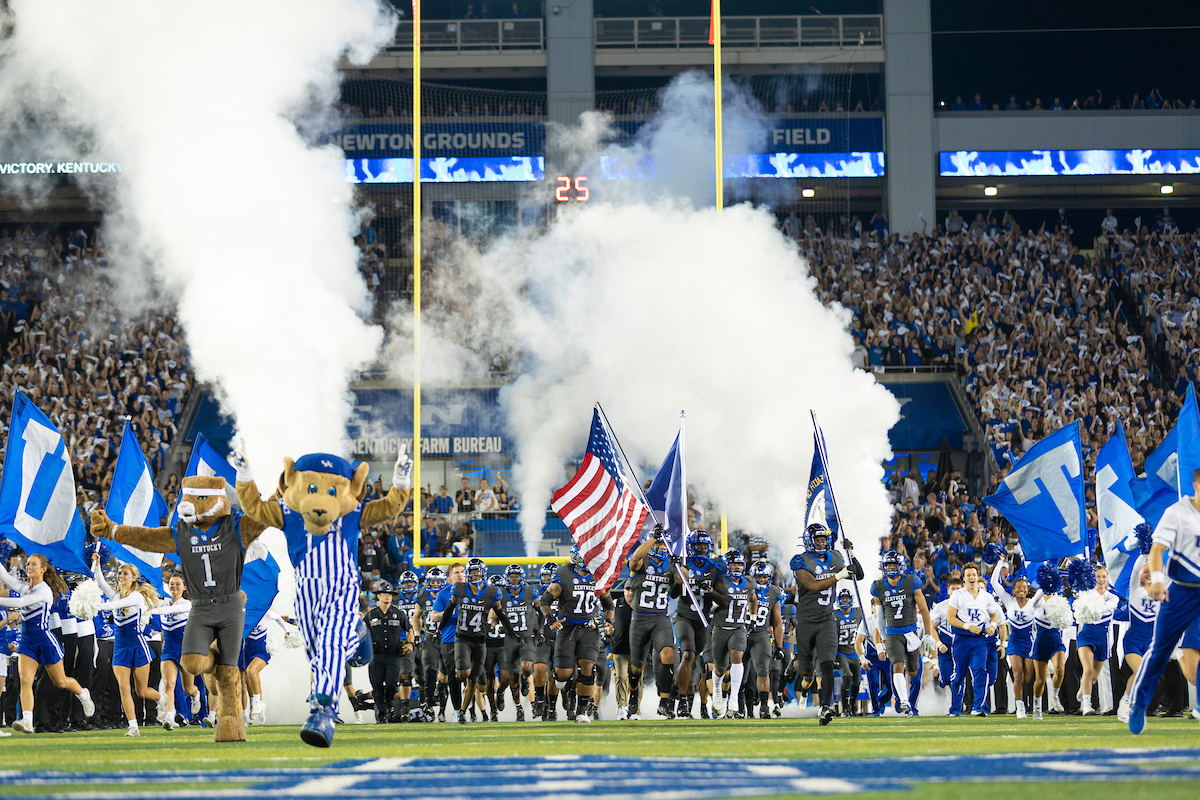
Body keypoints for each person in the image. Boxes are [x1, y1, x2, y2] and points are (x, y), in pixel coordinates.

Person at [1129, 468, 1200, 735]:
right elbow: (1157, 549)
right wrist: (1157, 579)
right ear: (1195, 485)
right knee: (1159, 651)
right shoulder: (1177, 513)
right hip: (1178, 591)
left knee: (1194, 672)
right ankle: (1139, 703)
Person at [0, 555, 95, 734]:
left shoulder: (44, 590)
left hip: (45, 640)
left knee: (60, 682)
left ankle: (83, 694)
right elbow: (4, 577)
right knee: (25, 680)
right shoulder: (25, 587)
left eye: (33, 564)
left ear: (43, 569)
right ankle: (28, 720)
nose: (29, 567)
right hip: (27, 641)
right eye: (27, 564)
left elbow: (20, 603)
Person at [791, 523, 861, 725]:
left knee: (828, 663)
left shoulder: (836, 556)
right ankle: (794, 662)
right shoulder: (800, 561)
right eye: (818, 539)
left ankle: (824, 707)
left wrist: (852, 554)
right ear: (808, 541)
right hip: (806, 621)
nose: (822, 543)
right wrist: (840, 575)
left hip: (827, 619)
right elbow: (813, 586)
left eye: (824, 539)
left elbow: (859, 574)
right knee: (805, 669)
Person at [433, 558, 516, 724]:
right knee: (463, 673)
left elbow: (500, 614)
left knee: (476, 682)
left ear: (483, 573)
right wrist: (440, 629)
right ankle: (459, 707)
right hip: (462, 637)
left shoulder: (492, 592)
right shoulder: (458, 590)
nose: (475, 574)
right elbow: (449, 610)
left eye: (478, 572)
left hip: (480, 640)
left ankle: (462, 712)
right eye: (472, 571)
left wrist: (512, 632)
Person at [539, 546, 615, 723]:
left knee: (588, 666)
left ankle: (581, 712)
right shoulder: (564, 575)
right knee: (564, 674)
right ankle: (562, 687)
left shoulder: (598, 576)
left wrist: (609, 622)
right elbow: (545, 600)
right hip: (567, 629)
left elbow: (609, 606)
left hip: (590, 628)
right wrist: (552, 620)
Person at [94, 559, 164, 736]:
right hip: (120, 647)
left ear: (134, 578)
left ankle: (163, 699)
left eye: (126, 574)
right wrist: (96, 564)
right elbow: (101, 582)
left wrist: (95, 606)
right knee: (123, 687)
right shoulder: (116, 595)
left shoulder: (136, 596)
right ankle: (133, 727)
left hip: (137, 645)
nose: (121, 576)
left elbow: (115, 606)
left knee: (141, 691)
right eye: (119, 573)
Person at [625, 524, 683, 720]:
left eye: (665, 545)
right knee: (636, 666)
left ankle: (665, 703)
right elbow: (634, 559)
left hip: (660, 617)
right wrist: (652, 539)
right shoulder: (642, 561)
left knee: (668, 655)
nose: (662, 547)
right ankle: (633, 697)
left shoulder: (670, 564)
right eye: (659, 543)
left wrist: (680, 566)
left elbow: (681, 581)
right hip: (640, 618)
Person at [871, 550, 935, 716]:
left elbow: (924, 611)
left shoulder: (911, 582)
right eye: (888, 565)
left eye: (894, 565)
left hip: (911, 632)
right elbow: (879, 617)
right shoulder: (878, 586)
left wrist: (927, 635)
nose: (891, 568)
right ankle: (904, 702)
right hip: (893, 633)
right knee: (897, 665)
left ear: (901, 566)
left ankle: (900, 693)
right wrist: (883, 639)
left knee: (913, 671)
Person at [674, 529, 718, 718]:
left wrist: (711, 591)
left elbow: (724, 597)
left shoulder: (716, 567)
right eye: (698, 545)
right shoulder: (683, 565)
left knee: (703, 666)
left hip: (704, 621)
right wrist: (678, 577)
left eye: (704, 546)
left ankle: (676, 693)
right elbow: (673, 594)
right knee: (689, 655)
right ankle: (682, 702)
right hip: (684, 617)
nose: (701, 549)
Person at [148, 573, 201, 729]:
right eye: (171, 584)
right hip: (169, 649)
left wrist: (149, 610)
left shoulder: (186, 604)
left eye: (178, 584)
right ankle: (170, 717)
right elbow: (149, 602)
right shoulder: (162, 603)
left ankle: (195, 695)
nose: (174, 586)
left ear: (184, 587)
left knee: (188, 688)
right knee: (169, 684)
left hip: (186, 650)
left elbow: (163, 611)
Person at [948, 563, 1000, 716]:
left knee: (979, 670)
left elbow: (994, 614)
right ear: (963, 578)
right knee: (958, 674)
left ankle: (978, 707)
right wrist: (967, 626)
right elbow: (950, 618)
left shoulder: (986, 596)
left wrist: (993, 625)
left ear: (978, 577)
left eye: (974, 574)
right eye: (968, 575)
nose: (972, 577)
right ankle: (955, 708)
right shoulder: (958, 595)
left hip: (979, 640)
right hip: (961, 639)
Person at [709, 550, 757, 719]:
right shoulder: (720, 581)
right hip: (721, 628)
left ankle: (734, 697)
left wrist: (752, 617)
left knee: (738, 655)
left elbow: (753, 598)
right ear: (726, 565)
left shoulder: (749, 582)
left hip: (738, 628)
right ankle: (716, 690)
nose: (737, 567)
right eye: (733, 564)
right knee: (720, 668)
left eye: (740, 564)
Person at [991, 559, 1036, 718]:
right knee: (1017, 674)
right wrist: (1000, 563)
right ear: (1014, 590)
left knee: (1027, 677)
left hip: (1030, 643)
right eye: (1018, 587)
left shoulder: (1033, 602)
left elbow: (1044, 589)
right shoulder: (1008, 600)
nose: (1022, 589)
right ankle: (1020, 707)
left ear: (1028, 589)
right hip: (1015, 642)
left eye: (1024, 587)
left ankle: (1030, 702)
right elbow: (993, 582)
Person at [1117, 554, 1158, 723]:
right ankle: (1124, 704)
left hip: (1151, 643)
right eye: (1145, 571)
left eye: (1151, 571)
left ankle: (1132, 705)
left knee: (1145, 676)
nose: (1148, 574)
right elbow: (1135, 568)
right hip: (1133, 640)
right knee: (1140, 672)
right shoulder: (1135, 589)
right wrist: (1145, 550)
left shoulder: (1161, 592)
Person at [365, 580, 412, 724]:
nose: (388, 596)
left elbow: (409, 629)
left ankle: (390, 702)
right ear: (378, 596)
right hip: (376, 655)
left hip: (394, 655)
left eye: (390, 594)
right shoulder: (370, 615)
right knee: (377, 686)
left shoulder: (399, 614)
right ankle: (381, 715)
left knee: (392, 685)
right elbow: (361, 632)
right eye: (384, 593)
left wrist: (410, 643)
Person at [1075, 566, 1119, 716]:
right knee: (1087, 669)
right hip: (1086, 636)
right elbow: (1078, 612)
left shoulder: (1113, 597)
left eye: (1103, 577)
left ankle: (1083, 688)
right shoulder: (1086, 594)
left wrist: (1090, 603)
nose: (1101, 580)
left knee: (1093, 677)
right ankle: (1087, 705)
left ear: (1107, 579)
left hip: (1103, 639)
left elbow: (1106, 608)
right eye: (1098, 577)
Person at [498, 564, 536, 722]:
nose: (514, 579)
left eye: (516, 576)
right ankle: (519, 708)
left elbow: (540, 610)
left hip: (526, 637)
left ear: (522, 577)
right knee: (510, 677)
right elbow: (495, 617)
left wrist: (539, 631)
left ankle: (526, 678)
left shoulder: (530, 592)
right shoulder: (501, 595)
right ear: (507, 578)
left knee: (527, 667)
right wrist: (497, 626)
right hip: (510, 638)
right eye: (511, 576)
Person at [747, 561, 784, 719]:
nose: (761, 580)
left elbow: (777, 622)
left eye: (764, 576)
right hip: (742, 633)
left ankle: (763, 707)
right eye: (758, 577)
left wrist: (779, 646)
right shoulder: (744, 587)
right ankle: (744, 708)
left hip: (761, 633)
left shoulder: (774, 592)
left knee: (763, 671)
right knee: (743, 675)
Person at [392, 571, 422, 721]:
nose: (409, 586)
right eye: (406, 583)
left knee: (425, 676)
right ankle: (404, 707)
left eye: (411, 583)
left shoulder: (422, 597)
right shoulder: (395, 599)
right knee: (405, 674)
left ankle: (426, 704)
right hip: (403, 642)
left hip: (422, 641)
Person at [416, 567, 445, 722]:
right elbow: (416, 617)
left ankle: (443, 708)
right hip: (429, 637)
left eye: (437, 581)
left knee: (445, 676)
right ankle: (427, 704)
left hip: (446, 638)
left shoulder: (447, 594)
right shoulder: (421, 595)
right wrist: (416, 633)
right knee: (429, 671)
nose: (434, 584)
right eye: (432, 581)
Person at [531, 562, 560, 720]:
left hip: (560, 638)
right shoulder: (535, 593)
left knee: (553, 676)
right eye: (545, 577)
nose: (547, 580)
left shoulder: (563, 591)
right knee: (540, 669)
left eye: (551, 577)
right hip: (542, 638)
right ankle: (540, 700)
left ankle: (552, 707)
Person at [833, 589, 863, 716]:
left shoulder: (858, 612)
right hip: (841, 653)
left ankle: (852, 704)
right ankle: (845, 709)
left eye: (847, 598)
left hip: (855, 652)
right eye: (842, 598)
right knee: (846, 676)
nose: (845, 600)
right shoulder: (834, 615)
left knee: (856, 682)